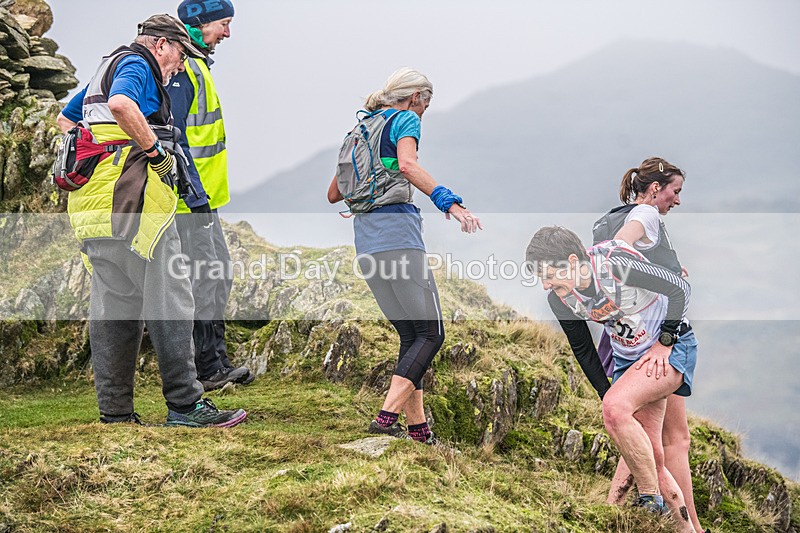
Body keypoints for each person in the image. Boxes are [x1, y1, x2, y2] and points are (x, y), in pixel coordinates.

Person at [55, 14, 246, 428]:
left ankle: (115, 412)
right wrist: (155, 152)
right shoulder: (137, 63)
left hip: (94, 205)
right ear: (161, 44)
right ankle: (186, 405)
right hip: (137, 201)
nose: (180, 66)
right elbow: (122, 105)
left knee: (114, 308)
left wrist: (102, 152)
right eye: (180, 55)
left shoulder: (105, 66)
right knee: (172, 300)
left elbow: (66, 121)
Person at [548, 158, 706, 532]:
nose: (677, 200)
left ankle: (630, 510)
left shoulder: (611, 219)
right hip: (653, 338)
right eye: (675, 191)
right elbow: (625, 246)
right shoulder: (645, 214)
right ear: (655, 188)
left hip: (637, 337)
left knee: (643, 429)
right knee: (667, 438)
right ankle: (679, 523)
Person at [326, 68, 482, 444]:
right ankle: (385, 418)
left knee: (412, 335)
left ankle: (418, 430)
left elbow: (334, 194)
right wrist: (451, 203)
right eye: (426, 105)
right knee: (432, 333)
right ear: (415, 98)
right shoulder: (404, 119)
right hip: (398, 238)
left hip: (367, 244)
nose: (424, 112)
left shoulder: (360, 129)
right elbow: (409, 165)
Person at [527, 226, 696, 532]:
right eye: (540, 276)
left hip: (670, 349)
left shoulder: (615, 266)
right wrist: (607, 392)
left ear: (573, 261)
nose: (545, 284)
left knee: (617, 411)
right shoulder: (559, 299)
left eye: (548, 274)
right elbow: (583, 348)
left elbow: (679, 289)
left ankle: (649, 500)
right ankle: (686, 528)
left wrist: (665, 341)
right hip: (629, 361)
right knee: (650, 454)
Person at [167, 0, 252, 391]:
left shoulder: (196, 64)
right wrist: (195, 193)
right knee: (207, 278)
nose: (228, 33)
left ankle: (214, 362)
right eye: (224, 23)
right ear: (199, 24)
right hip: (190, 200)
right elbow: (174, 135)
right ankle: (208, 367)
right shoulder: (184, 68)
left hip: (202, 198)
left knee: (217, 275)